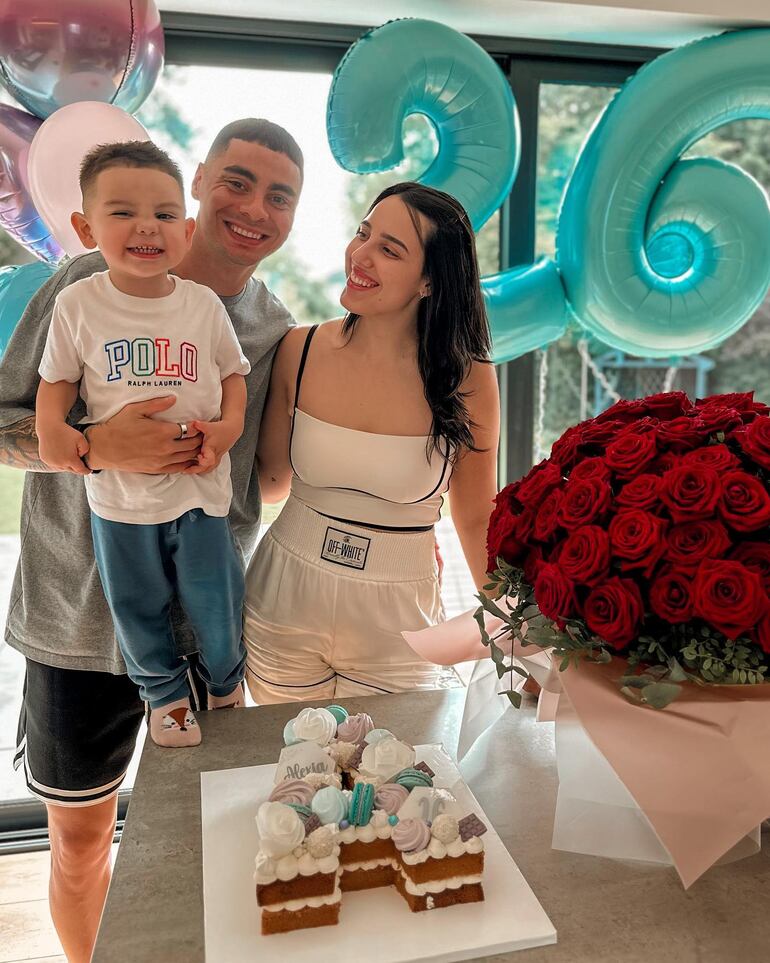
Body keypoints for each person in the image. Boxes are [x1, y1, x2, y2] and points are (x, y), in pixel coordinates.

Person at [0, 118, 302, 962]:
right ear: (199, 182)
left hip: (203, 639)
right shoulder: (80, 286)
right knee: (80, 844)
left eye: (280, 195)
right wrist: (95, 444)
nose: (253, 208)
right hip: (75, 623)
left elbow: (264, 479)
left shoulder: (273, 330)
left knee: (214, 842)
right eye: (237, 181)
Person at [245, 181, 500, 702]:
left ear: (430, 280)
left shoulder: (467, 378)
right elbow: (269, 485)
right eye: (363, 235)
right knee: (293, 778)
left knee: (401, 780)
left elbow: (476, 517)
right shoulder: (300, 348)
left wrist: (513, 637)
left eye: (389, 249)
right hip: (282, 605)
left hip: (401, 622)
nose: (360, 256)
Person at [36, 140, 251, 748]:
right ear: (85, 227)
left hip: (199, 491)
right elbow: (56, 382)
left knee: (216, 598)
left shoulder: (203, 305)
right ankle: (167, 698)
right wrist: (57, 429)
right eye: (122, 211)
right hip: (119, 502)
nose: (145, 227)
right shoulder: (78, 303)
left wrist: (229, 427)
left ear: (185, 231)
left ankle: (227, 682)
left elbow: (234, 376)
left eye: (162, 213)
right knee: (136, 605)